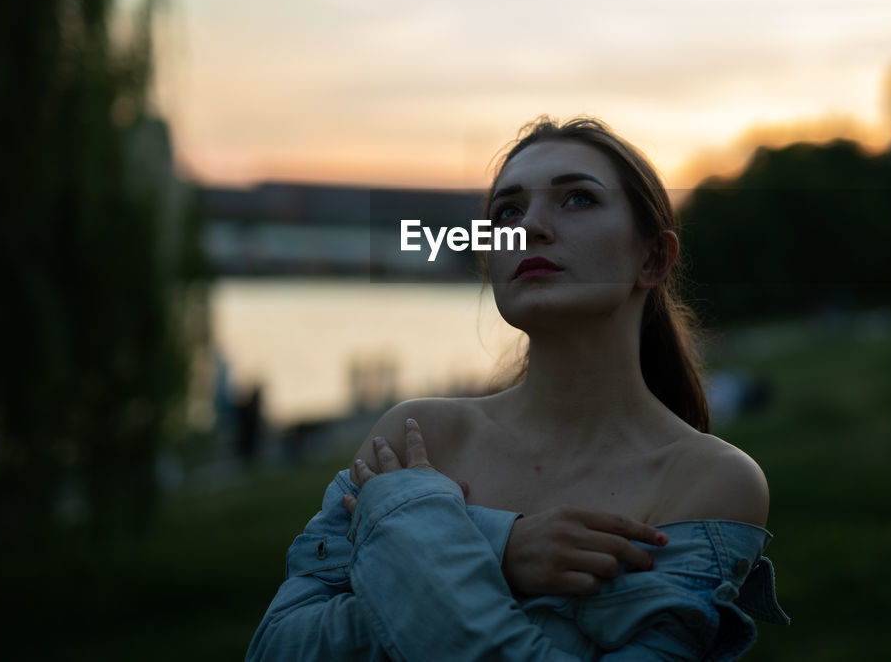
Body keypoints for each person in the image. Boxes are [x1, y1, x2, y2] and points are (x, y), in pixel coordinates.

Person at [246, 117, 790, 661]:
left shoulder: (709, 480)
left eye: (577, 199)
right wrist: (500, 548)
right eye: (507, 211)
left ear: (652, 258)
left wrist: (412, 527)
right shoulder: (419, 432)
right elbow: (279, 647)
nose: (528, 227)